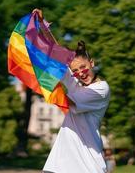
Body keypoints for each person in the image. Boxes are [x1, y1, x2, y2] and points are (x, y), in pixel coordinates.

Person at [33, 9, 111, 173]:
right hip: (61, 162)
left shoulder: (101, 89)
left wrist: (47, 82)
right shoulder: (77, 83)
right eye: (75, 71)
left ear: (91, 63)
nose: (80, 73)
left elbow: (68, 101)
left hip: (88, 166)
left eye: (83, 67)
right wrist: (42, 25)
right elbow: (57, 53)